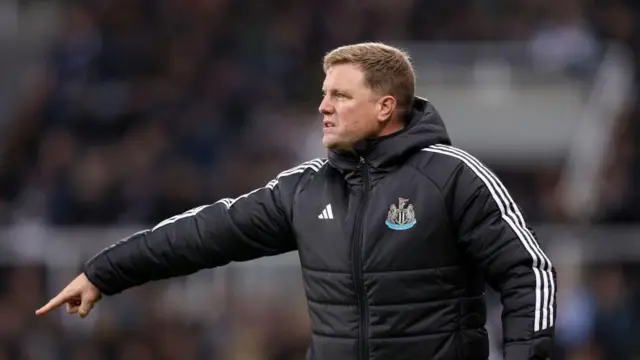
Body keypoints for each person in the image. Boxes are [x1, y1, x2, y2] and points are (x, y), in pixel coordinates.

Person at [36, 42, 556, 360]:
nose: (322, 106)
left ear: (385, 107)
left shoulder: (454, 176)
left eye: (340, 96)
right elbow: (203, 233)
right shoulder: (306, 188)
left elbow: (529, 273)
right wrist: (105, 272)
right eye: (324, 92)